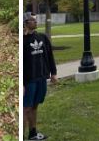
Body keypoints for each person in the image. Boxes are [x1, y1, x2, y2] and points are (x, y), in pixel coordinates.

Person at [23, 12, 57, 140]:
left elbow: (50, 56)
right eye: (32, 20)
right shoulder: (22, 41)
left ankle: (33, 133)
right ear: (25, 23)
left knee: (35, 105)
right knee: (26, 108)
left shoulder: (42, 37)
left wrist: (53, 73)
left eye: (36, 20)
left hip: (41, 77)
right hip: (29, 80)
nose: (35, 22)